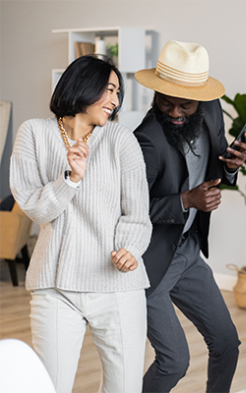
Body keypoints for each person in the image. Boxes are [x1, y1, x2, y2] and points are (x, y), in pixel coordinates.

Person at [10, 55, 152, 393]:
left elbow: (138, 215)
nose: (115, 101)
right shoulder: (33, 133)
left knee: (125, 388)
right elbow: (36, 209)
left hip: (117, 284)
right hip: (55, 287)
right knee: (50, 386)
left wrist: (131, 249)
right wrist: (70, 180)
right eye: (109, 89)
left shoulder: (122, 141)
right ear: (82, 85)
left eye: (119, 93)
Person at [133, 40, 246, 393]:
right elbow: (131, 210)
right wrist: (186, 200)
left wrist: (231, 166)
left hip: (187, 250)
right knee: (174, 362)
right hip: (149, 262)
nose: (176, 112)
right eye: (166, 102)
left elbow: (213, 160)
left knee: (227, 342)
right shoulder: (146, 141)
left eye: (186, 103)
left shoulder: (211, 109)